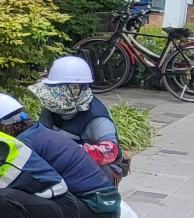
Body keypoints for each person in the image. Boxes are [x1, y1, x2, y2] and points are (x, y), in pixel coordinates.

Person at [0, 92, 120, 218]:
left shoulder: (25, 145)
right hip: (102, 208)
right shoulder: (36, 132)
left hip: (97, 214)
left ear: (2, 125)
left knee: (10, 195)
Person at [31, 55, 130, 183]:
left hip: (101, 173)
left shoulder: (97, 117)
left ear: (77, 89)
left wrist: (71, 151)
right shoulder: (51, 109)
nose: (54, 94)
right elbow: (39, 137)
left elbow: (110, 151)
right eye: (53, 89)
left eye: (60, 89)